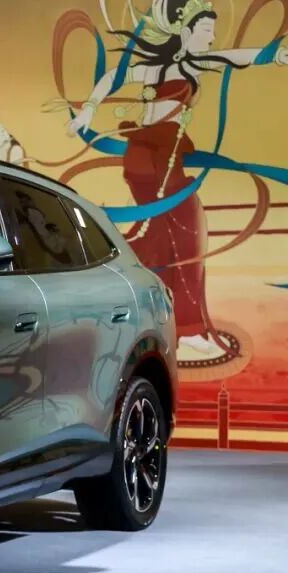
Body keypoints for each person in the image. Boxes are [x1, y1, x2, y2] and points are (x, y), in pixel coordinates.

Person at [68, 0, 288, 355]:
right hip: (154, 160)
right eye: (206, 30)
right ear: (185, 32)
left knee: (162, 235)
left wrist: (273, 56)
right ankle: (186, 328)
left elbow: (234, 57)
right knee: (187, 231)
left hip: (158, 158)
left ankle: (136, 309)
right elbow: (113, 77)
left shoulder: (188, 64)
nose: (212, 38)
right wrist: (88, 111)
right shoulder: (168, 67)